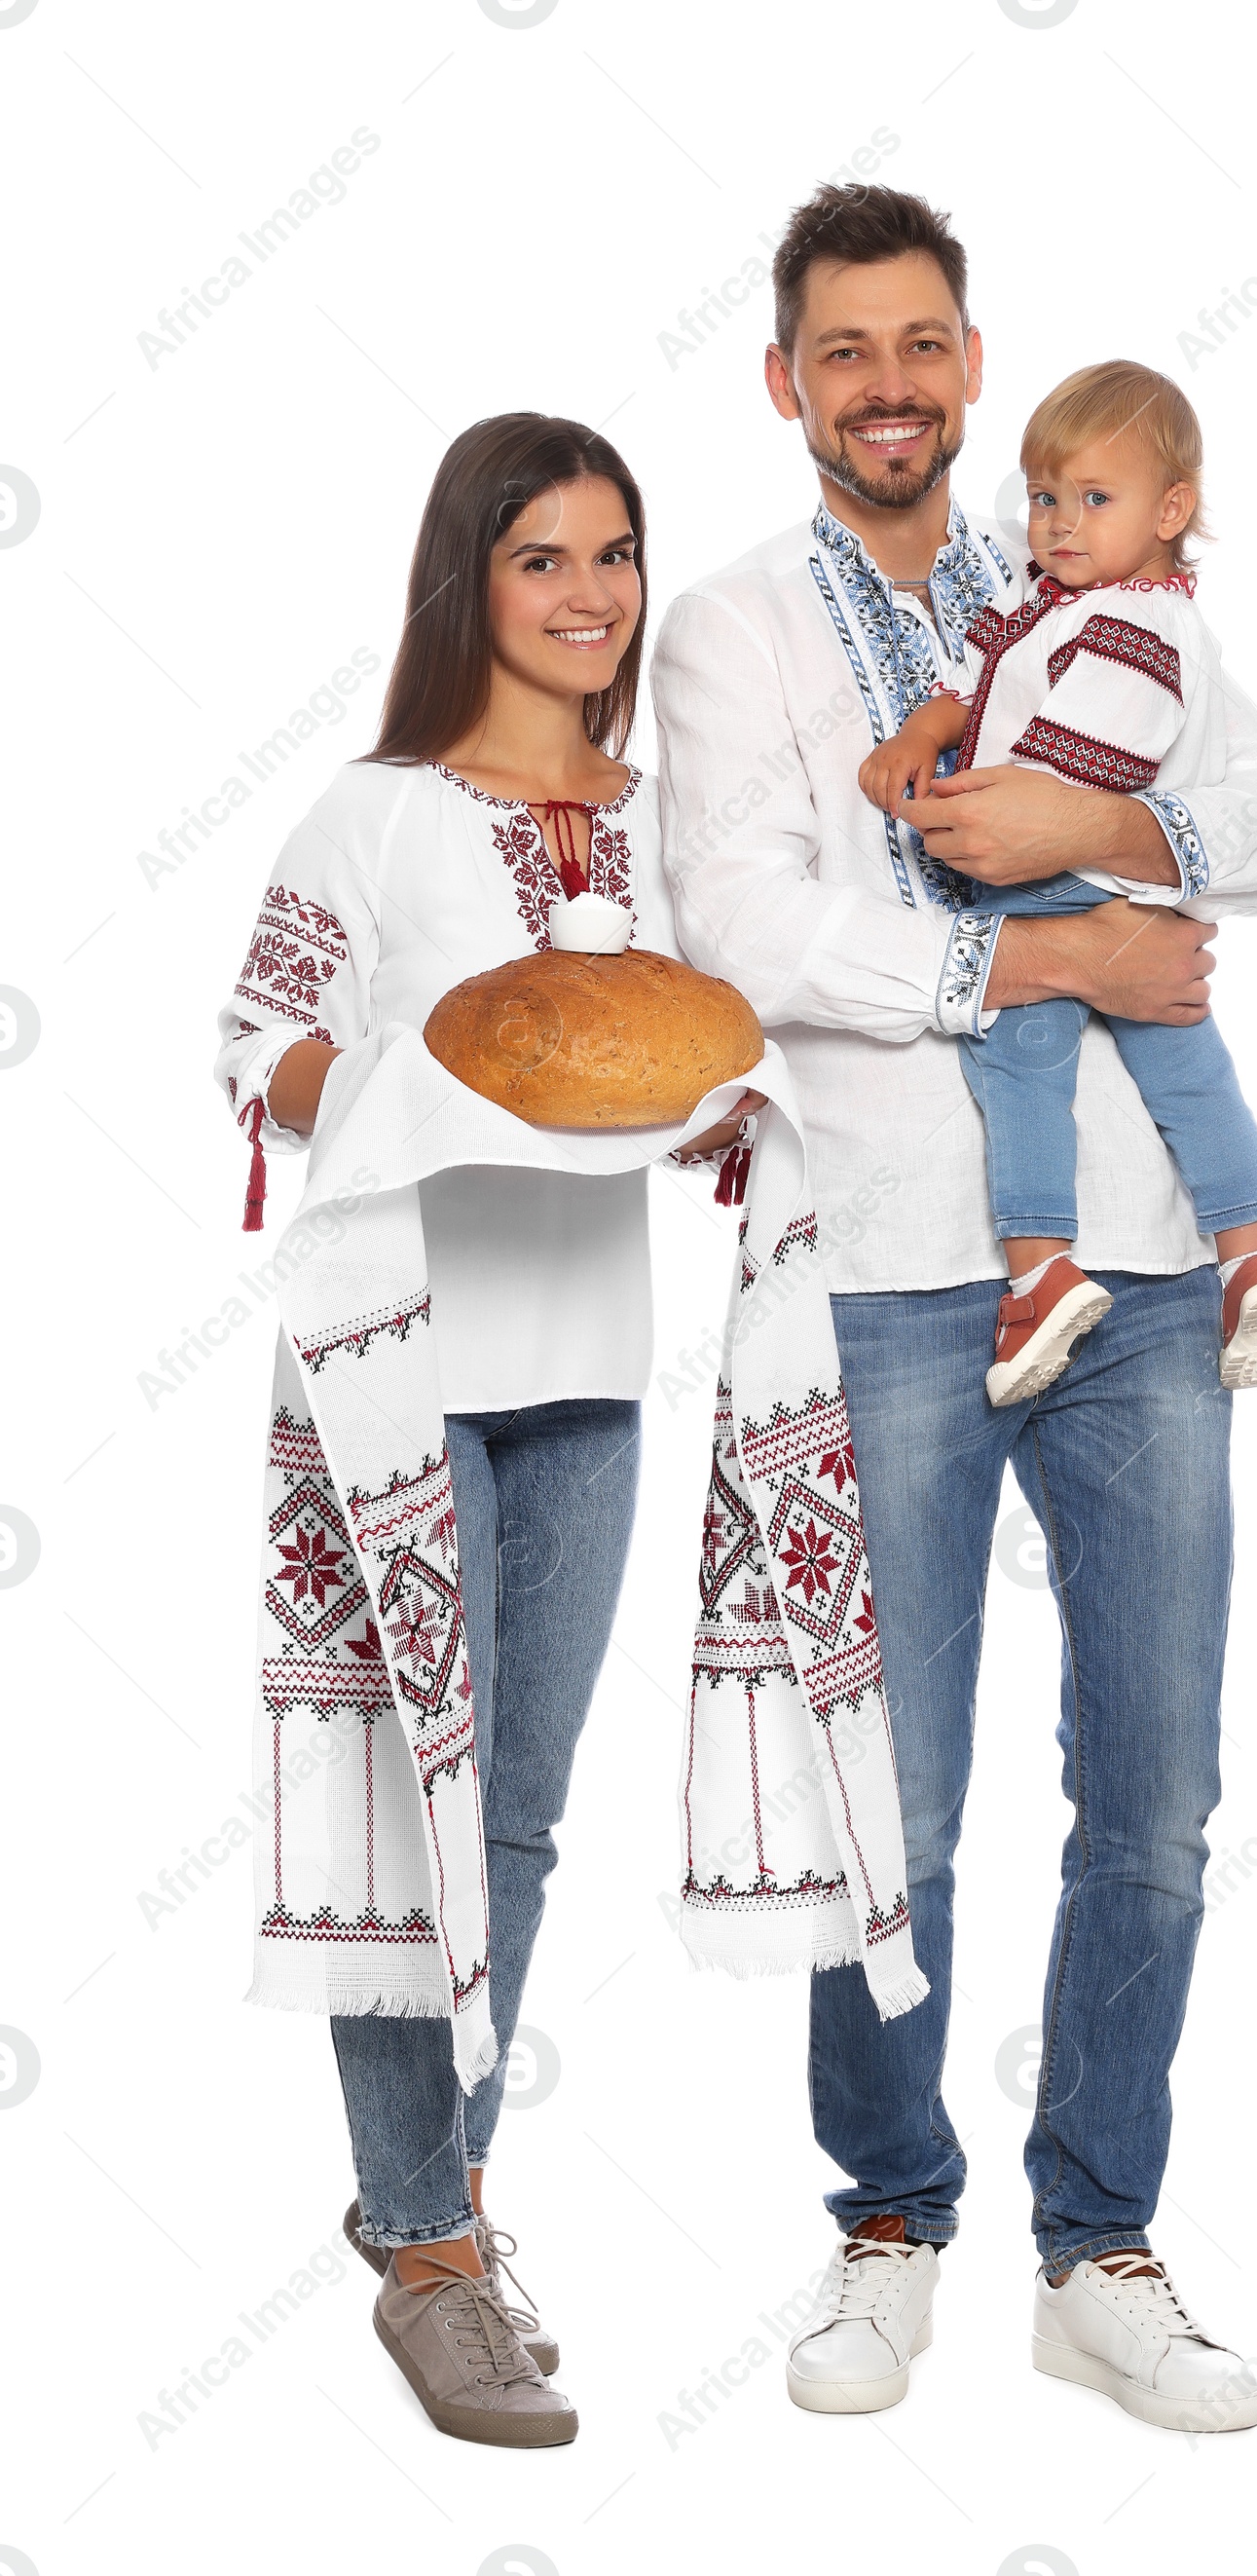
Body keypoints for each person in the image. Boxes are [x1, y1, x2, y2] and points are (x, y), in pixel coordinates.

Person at [653, 183, 1257, 2433]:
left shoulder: (1100, 577)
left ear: (969, 358)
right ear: (786, 384)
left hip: (1139, 1276)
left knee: (1151, 1786)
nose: (892, 383)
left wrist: (1124, 858)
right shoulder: (735, 628)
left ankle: (1096, 2239)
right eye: (844, 348)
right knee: (897, 1796)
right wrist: (1045, 953)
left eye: (924, 340)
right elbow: (738, 926)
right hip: (888, 1272)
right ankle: (886, 2217)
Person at [214, 413, 754, 2446]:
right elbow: (249, 1046)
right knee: (401, 1812)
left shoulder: (657, 825)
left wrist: (719, 1099)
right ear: (473, 579)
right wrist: (413, 1091)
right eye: (544, 557)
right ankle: (433, 2251)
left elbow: (704, 1037)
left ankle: (426, 2202)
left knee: (513, 1815)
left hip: (589, 1365)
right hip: (394, 1360)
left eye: (615, 553)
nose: (592, 594)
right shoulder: (377, 816)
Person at [859, 356, 1257, 1407]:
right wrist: (924, 728)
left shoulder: (1140, 625)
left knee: (1015, 1057)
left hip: (1061, 883)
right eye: (1045, 497)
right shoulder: (1056, 598)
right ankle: (1251, 1254)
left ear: (1170, 509)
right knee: (1188, 1068)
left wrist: (970, 796)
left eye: (1093, 500)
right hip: (1132, 893)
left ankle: (1040, 1267)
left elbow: (1084, 764)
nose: (1057, 523)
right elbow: (980, 666)